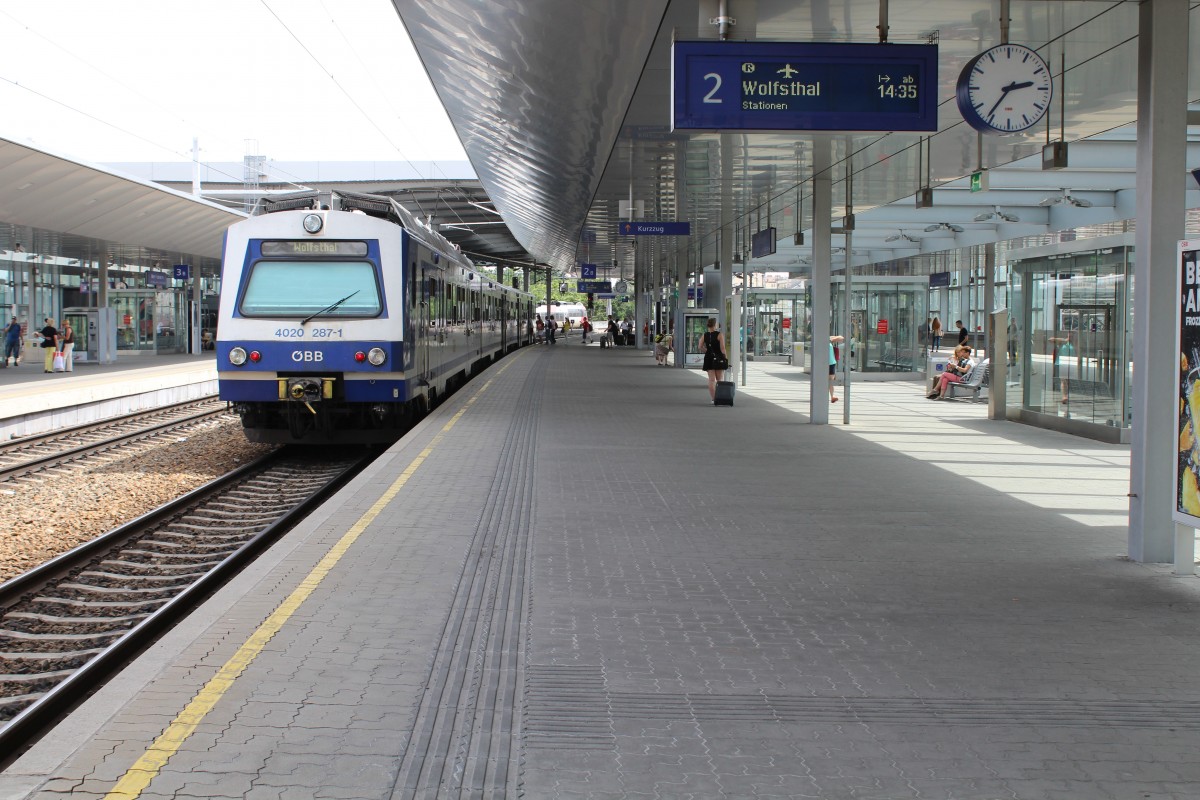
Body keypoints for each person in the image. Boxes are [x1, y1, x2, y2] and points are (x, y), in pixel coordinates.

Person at [699, 317, 728, 402]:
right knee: (719, 379)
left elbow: (700, 347)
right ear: (715, 325)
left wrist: (707, 351)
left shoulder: (705, 335)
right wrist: (725, 358)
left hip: (709, 358)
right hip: (719, 358)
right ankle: (720, 397)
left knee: (711, 380)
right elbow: (723, 348)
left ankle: (713, 399)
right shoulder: (720, 335)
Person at [1051, 334, 1075, 404]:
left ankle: (1065, 395)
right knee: (1063, 380)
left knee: (1067, 380)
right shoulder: (1063, 343)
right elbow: (1051, 339)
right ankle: (1064, 396)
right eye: (1069, 335)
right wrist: (1064, 340)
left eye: (1072, 336)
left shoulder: (1074, 344)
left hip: (1071, 363)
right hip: (1062, 362)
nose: (1070, 337)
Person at [829, 335, 845, 403]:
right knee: (825, 380)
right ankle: (826, 396)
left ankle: (832, 396)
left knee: (831, 380)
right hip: (824, 364)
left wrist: (831, 338)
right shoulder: (822, 341)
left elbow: (841, 337)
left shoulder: (828, 339)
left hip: (831, 363)